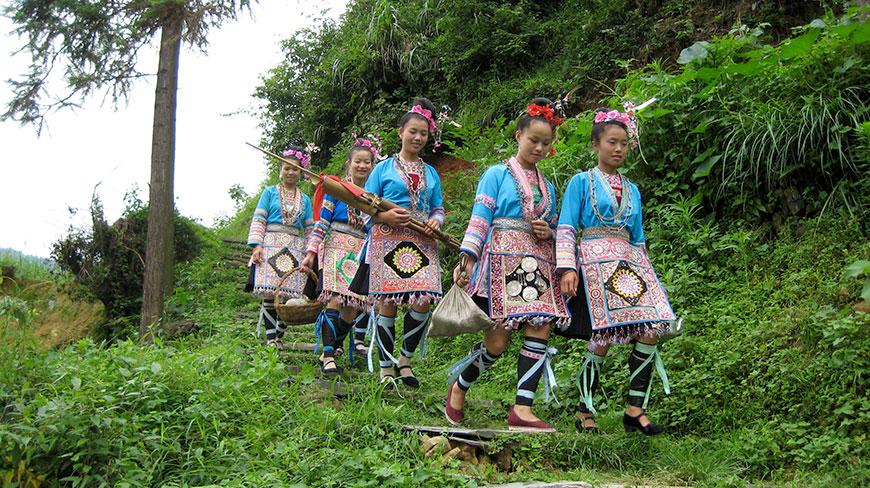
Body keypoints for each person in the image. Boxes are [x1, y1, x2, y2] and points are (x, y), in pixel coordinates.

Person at [445, 98, 570, 432]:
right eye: (534, 140)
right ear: (518, 136)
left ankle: (522, 409)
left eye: (546, 143)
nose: (540, 147)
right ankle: (459, 387)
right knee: (496, 343)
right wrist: (467, 258)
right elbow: (480, 218)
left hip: (538, 265)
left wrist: (550, 231)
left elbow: (555, 226)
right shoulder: (496, 174)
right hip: (500, 262)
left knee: (540, 327)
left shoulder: (548, 186)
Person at [556, 107, 676, 435]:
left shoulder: (633, 189)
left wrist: (649, 277)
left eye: (624, 143)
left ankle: (635, 409)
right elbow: (566, 226)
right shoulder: (582, 183)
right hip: (594, 265)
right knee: (602, 338)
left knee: (650, 331)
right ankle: (585, 411)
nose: (619, 149)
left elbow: (638, 238)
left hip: (629, 267)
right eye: (612, 142)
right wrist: (567, 267)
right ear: (596, 145)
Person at [349, 98, 445, 389]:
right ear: (401, 131)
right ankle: (386, 367)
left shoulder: (431, 173)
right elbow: (364, 204)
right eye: (413, 131)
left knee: (423, 301)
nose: (417, 137)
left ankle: (405, 360)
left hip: (421, 240)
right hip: (387, 238)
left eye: (423, 133)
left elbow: (438, 207)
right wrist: (385, 215)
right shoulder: (382, 168)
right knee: (389, 304)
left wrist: (436, 222)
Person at [301, 137, 376, 374]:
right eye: (358, 162)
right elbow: (323, 222)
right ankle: (329, 355)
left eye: (367, 162)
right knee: (335, 299)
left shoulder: (374, 194)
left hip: (361, 248)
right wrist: (312, 251)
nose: (362, 166)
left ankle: (334, 345)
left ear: (372, 165)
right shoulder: (336, 189)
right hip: (336, 244)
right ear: (349, 163)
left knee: (353, 306)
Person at [246, 146, 315, 349]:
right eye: (287, 168)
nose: (290, 172)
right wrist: (257, 245)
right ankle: (270, 339)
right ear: (280, 169)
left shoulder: (305, 199)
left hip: (295, 247)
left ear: (301, 172)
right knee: (270, 293)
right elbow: (259, 218)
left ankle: (279, 336)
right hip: (270, 245)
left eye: (295, 169)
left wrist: (310, 252)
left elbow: (309, 228)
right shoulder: (269, 193)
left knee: (288, 294)